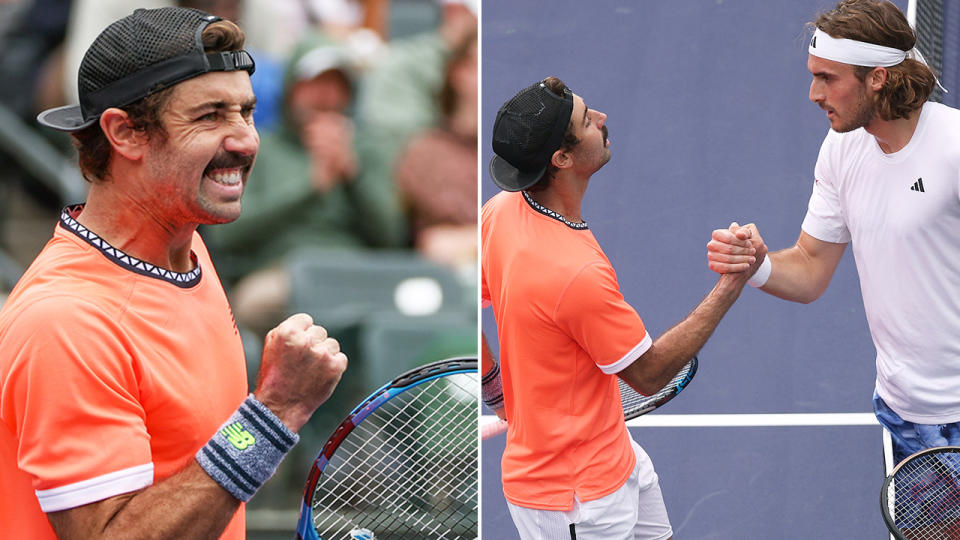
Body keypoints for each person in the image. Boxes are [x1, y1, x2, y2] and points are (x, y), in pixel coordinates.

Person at [0, 8, 347, 539]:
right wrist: (274, 414)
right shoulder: (66, 320)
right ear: (125, 133)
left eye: (246, 113)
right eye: (209, 116)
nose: (245, 140)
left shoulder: (189, 251)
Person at [481, 76, 759, 539]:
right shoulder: (575, 273)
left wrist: (496, 392)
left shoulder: (501, 211)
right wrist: (733, 282)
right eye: (587, 121)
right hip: (575, 501)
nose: (603, 120)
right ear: (562, 159)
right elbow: (647, 375)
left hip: (612, 450)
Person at [707, 0, 960, 465]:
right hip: (901, 409)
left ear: (876, 78)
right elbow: (810, 268)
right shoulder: (841, 149)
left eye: (827, 78)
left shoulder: (954, 149)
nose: (813, 94)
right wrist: (757, 265)